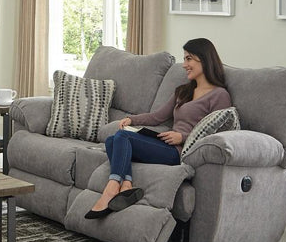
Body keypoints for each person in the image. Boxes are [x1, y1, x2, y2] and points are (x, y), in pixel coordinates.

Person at [85, 37, 232, 219]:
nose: (184, 65)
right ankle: (127, 186)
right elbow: (157, 116)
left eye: (189, 59)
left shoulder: (219, 95)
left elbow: (219, 136)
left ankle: (112, 188)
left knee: (122, 137)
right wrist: (131, 119)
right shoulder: (183, 91)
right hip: (166, 144)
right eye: (184, 59)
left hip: (180, 153)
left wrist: (182, 137)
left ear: (204, 59)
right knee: (112, 140)